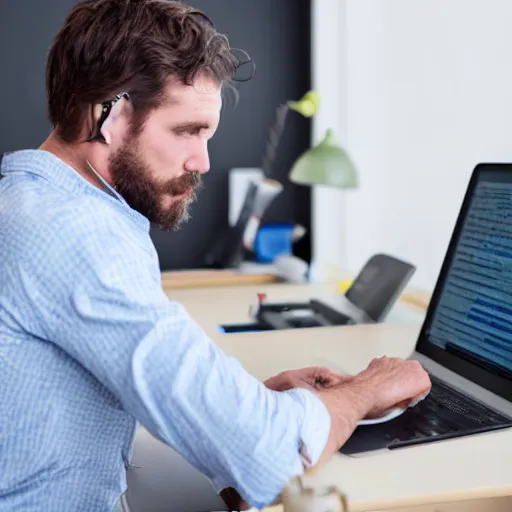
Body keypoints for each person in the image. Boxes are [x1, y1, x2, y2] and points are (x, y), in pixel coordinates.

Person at [0, 1, 431, 511]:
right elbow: (271, 454)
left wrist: (242, 401)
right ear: (108, 114)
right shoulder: (72, 232)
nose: (202, 161)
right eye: (188, 130)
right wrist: (365, 391)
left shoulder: (34, 201)